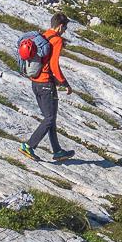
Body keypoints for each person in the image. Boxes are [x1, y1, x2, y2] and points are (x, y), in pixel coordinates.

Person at [20, 11, 75, 162]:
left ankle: (57, 151)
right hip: (46, 84)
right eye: (65, 29)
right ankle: (29, 146)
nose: (65, 32)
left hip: (35, 83)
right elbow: (53, 65)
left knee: (50, 118)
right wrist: (64, 83)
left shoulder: (43, 36)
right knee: (50, 118)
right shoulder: (56, 40)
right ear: (61, 26)